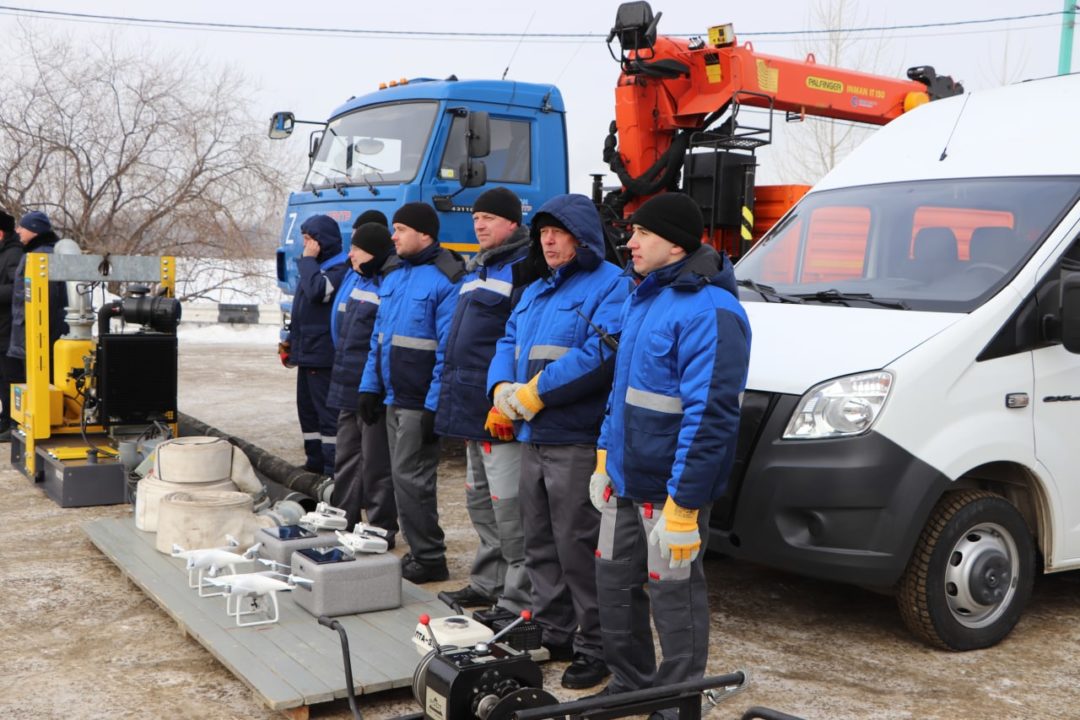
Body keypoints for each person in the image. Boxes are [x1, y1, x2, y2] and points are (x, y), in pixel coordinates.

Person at [590, 193, 751, 712]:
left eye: (641, 233)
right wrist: (603, 457)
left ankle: (677, 700)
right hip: (624, 478)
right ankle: (629, 685)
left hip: (669, 494)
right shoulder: (646, 296)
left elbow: (710, 418)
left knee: (673, 597)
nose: (629, 241)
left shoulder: (712, 310)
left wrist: (684, 505)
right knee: (614, 583)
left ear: (676, 244)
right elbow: (623, 390)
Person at [487, 193, 632, 690]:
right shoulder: (535, 290)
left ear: (583, 236)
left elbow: (601, 354)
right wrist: (501, 387)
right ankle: (556, 630)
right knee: (540, 541)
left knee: (578, 544)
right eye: (542, 232)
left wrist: (536, 393)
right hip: (532, 434)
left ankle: (596, 645)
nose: (547, 240)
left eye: (558, 231)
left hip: (573, 437)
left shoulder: (611, 285)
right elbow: (508, 339)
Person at [436, 187, 536, 611]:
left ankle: (516, 597)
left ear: (513, 223)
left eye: (489, 218)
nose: (479, 224)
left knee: (509, 509)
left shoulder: (522, 270)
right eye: (476, 217)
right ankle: (486, 582)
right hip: (469, 406)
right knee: (480, 502)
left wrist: (508, 401)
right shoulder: (476, 270)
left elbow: (520, 342)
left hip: (500, 409)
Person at [358, 202, 464, 583]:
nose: (393, 236)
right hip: (393, 397)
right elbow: (379, 339)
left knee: (412, 480)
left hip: (419, 400)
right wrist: (370, 387)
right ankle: (422, 551)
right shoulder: (394, 275)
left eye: (400, 229)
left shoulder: (446, 279)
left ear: (424, 234)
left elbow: (449, 350)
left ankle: (430, 556)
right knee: (400, 478)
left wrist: (436, 404)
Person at [326, 211, 400, 543]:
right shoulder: (360, 280)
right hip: (347, 381)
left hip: (371, 388)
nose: (350, 255)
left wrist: (374, 386)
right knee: (346, 457)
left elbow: (381, 343)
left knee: (376, 464)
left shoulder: (387, 283)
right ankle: (344, 518)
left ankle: (381, 527)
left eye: (357, 248)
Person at [284, 214, 348, 476]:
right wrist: (290, 342)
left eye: (310, 240)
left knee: (326, 415)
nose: (305, 245)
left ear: (323, 241)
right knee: (307, 413)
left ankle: (333, 469)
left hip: (323, 355)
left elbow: (317, 292)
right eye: (304, 240)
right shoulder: (314, 267)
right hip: (307, 352)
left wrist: (308, 261)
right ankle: (314, 464)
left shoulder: (338, 269)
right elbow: (301, 309)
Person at [8, 211, 67, 380]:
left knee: (39, 384)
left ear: (35, 231)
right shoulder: (41, 253)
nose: (18, 230)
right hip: (38, 335)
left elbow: (47, 300)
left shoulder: (39, 257)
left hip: (37, 338)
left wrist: (38, 337)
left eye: (22, 227)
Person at [0, 210, 23, 441]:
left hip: (9, 329)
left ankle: (14, 422)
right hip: (2, 327)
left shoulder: (14, 253)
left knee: (10, 378)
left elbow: (18, 288)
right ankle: (5, 418)